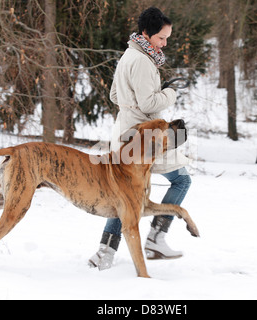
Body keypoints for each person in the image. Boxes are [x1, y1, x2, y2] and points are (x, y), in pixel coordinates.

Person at [88, 7, 192, 270]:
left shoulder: (129, 54)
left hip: (124, 133)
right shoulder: (144, 61)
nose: (165, 43)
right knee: (181, 180)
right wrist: (169, 93)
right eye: (161, 38)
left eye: (167, 38)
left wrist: (131, 102)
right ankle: (157, 237)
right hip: (145, 137)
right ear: (147, 33)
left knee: (126, 193)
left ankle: (104, 252)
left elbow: (114, 96)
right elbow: (148, 102)